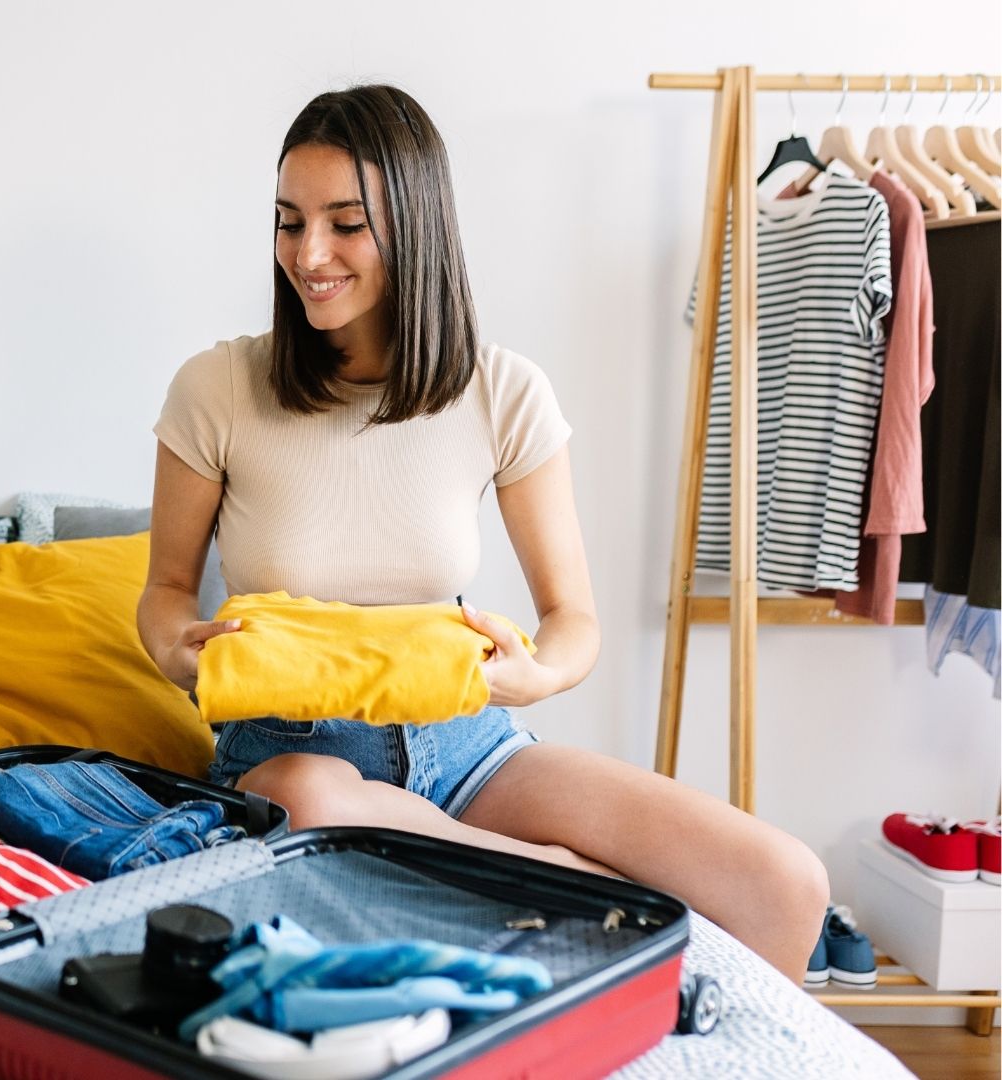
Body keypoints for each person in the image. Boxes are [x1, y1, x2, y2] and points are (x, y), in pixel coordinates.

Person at [136, 84, 828, 984]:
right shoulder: (219, 388)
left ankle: (577, 928)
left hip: (467, 747)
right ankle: (599, 900)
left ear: (416, 225)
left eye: (346, 224)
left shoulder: (503, 392)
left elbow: (572, 617)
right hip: (290, 754)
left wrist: (536, 674)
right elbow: (166, 592)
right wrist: (178, 653)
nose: (308, 254)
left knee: (786, 884)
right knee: (309, 804)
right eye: (289, 221)